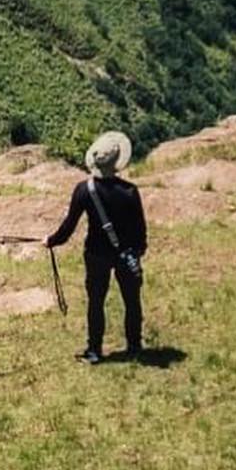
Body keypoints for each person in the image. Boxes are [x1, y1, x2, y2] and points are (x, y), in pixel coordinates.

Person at [46, 130, 148, 365]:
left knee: (96, 301)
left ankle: (94, 350)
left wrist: (51, 240)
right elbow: (140, 229)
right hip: (126, 254)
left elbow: (69, 226)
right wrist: (138, 251)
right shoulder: (130, 191)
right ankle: (134, 346)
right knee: (132, 300)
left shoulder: (84, 190)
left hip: (96, 254)